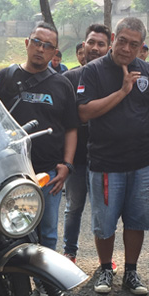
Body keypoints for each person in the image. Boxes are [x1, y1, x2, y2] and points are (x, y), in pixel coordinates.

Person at [77, 17, 149, 296]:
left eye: (134, 44)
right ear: (114, 38)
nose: (127, 48)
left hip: (141, 162)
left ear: (141, 46)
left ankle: (131, 271)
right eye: (122, 41)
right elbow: (84, 112)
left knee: (135, 219)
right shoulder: (93, 71)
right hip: (105, 163)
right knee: (104, 222)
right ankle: (105, 268)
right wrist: (122, 91)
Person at [0, 22, 78, 285]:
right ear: (27, 43)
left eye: (48, 46)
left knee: (48, 233)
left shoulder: (62, 85)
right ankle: (13, 286)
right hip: (9, 172)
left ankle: (47, 285)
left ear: (55, 51)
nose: (41, 49)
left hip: (47, 172)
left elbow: (72, 129)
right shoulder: (6, 78)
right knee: (10, 231)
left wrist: (66, 165)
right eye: (37, 42)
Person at [62, 24, 111, 264]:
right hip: (77, 159)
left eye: (101, 44)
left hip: (105, 158)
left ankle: (105, 260)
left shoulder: (114, 79)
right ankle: (69, 253)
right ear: (83, 45)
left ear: (108, 48)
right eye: (91, 42)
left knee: (104, 211)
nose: (95, 48)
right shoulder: (68, 79)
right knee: (73, 207)